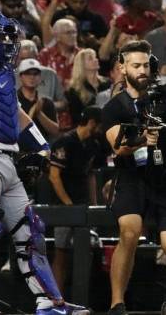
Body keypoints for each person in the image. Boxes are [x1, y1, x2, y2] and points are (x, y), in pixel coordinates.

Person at [0, 9, 88, 315]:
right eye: (1, 36)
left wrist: (40, 145)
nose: (8, 42)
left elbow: (15, 114)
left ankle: (51, 303)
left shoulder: (2, 74)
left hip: (7, 158)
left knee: (31, 232)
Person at [102, 40, 166, 315]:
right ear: (122, 69)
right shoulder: (115, 107)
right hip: (132, 176)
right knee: (129, 232)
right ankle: (117, 303)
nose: (142, 70)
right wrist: (144, 138)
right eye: (136, 65)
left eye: (145, 64)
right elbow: (117, 146)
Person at [49, 106, 103, 294]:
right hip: (63, 206)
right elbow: (54, 175)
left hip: (84, 205)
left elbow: (90, 175)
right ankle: (57, 299)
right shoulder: (64, 142)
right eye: (99, 125)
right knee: (61, 252)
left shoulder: (92, 145)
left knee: (86, 251)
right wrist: (68, 204)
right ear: (92, 123)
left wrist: (94, 204)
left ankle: (81, 297)